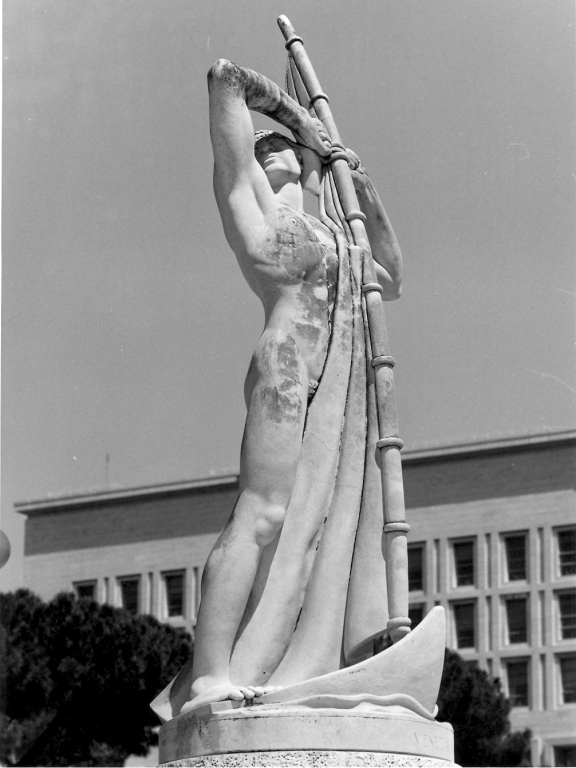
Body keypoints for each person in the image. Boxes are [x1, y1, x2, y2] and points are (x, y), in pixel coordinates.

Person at [177, 59, 403, 715]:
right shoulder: (247, 196)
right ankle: (209, 675)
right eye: (266, 142)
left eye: (287, 148)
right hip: (286, 365)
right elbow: (222, 78)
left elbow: (391, 274)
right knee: (265, 513)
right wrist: (300, 120)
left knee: (323, 526)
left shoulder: (336, 232)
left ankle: (293, 661)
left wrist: (358, 181)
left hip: (341, 384)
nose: (275, 147)